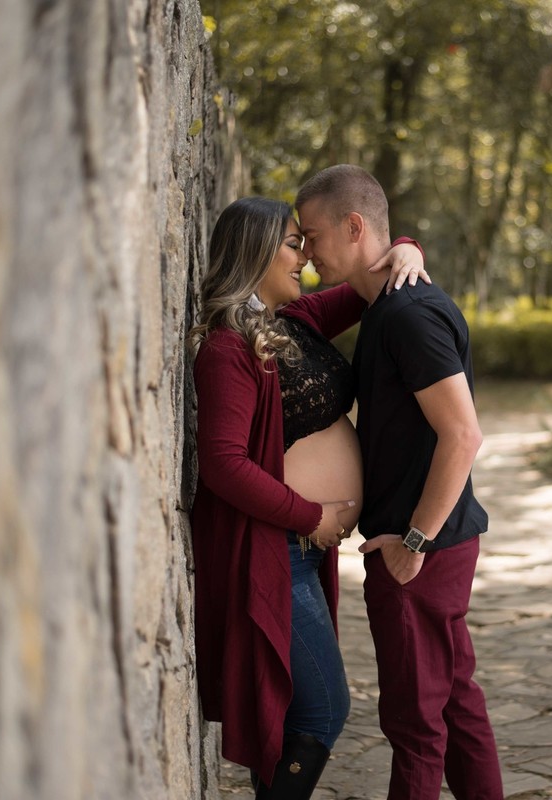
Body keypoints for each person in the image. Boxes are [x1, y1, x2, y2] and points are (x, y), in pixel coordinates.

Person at [188, 195, 428, 798]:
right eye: (294, 244)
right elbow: (223, 464)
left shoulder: (293, 321)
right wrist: (313, 515)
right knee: (321, 710)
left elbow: (369, 280)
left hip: (303, 551)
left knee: (298, 710)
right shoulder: (228, 348)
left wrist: (408, 248)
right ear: (256, 250)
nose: (306, 257)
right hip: (273, 552)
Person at [295, 166, 504, 800]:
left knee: (415, 725)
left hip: (419, 549)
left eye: (311, 236)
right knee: (455, 704)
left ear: (354, 227)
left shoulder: (409, 313)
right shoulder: (386, 302)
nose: (304, 253)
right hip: (427, 545)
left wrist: (412, 543)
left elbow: (463, 436)